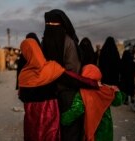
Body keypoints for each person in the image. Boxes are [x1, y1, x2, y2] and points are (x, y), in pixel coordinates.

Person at [18, 38, 99, 141]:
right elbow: (74, 79)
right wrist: (95, 84)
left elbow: (21, 97)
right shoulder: (51, 69)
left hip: (31, 119)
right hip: (49, 115)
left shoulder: (23, 75)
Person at [41, 9, 83, 141]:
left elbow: (72, 71)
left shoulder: (68, 42)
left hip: (64, 93)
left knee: (68, 129)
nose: (51, 28)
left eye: (54, 25)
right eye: (48, 25)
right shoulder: (46, 43)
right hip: (51, 94)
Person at [61, 64, 125, 141]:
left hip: (94, 131)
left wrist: (62, 119)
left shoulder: (83, 93)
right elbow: (118, 101)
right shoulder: (105, 89)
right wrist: (117, 92)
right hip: (107, 131)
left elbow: (76, 110)